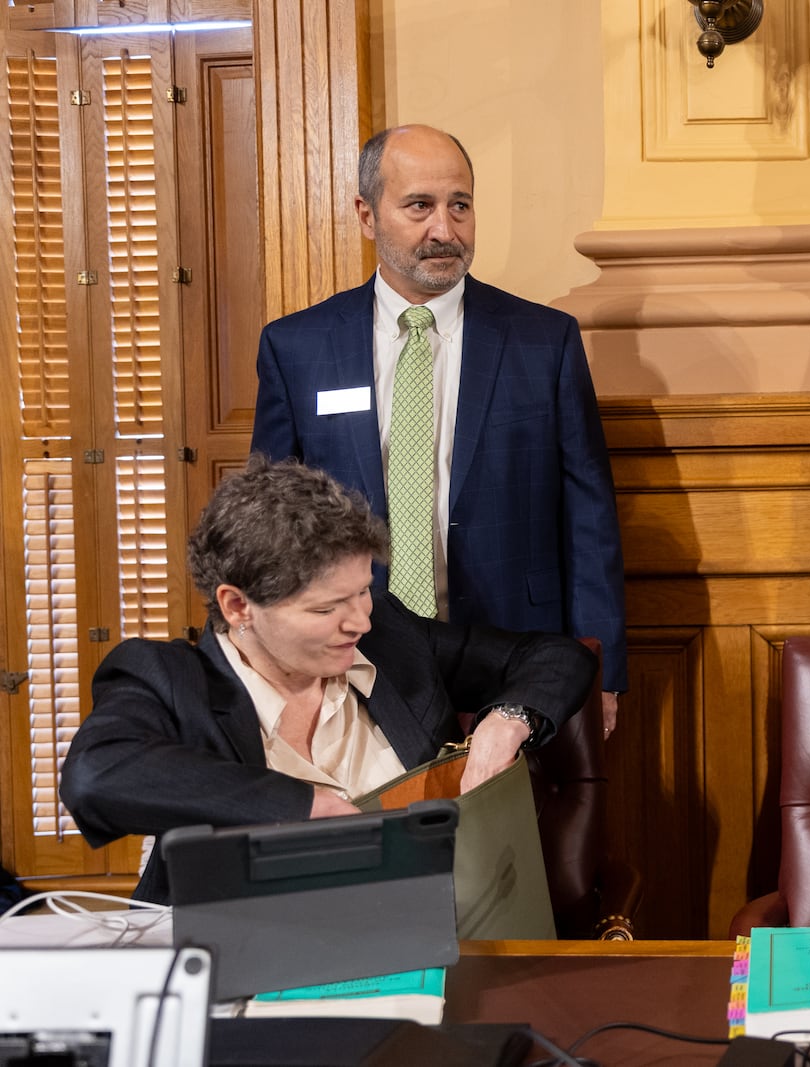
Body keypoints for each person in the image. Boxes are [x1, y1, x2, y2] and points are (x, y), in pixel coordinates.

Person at [59, 457, 597, 904]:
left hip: (426, 941)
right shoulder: (169, 681)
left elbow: (553, 656)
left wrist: (507, 722)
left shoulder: (389, 637)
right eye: (327, 608)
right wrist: (303, 806)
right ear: (238, 604)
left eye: (362, 590)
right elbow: (95, 776)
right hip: (246, 965)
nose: (359, 620)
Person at [250, 124, 626, 738]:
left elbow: (590, 518)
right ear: (367, 215)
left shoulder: (543, 342)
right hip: (354, 660)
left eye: (460, 205)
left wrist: (602, 668)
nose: (445, 231)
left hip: (517, 656)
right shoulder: (297, 348)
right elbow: (270, 526)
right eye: (420, 206)